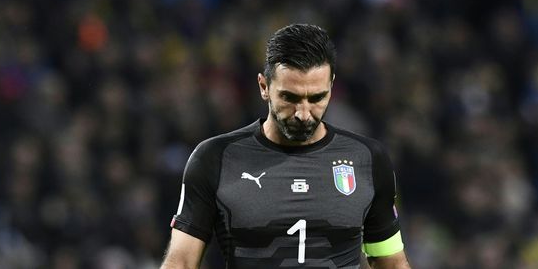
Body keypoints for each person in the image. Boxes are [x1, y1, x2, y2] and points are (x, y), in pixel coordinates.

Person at [160, 24, 412, 268]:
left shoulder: (368, 160)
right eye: (290, 97)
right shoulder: (215, 158)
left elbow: (390, 262)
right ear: (264, 87)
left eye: (317, 98)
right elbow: (181, 262)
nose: (303, 113)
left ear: (331, 86)